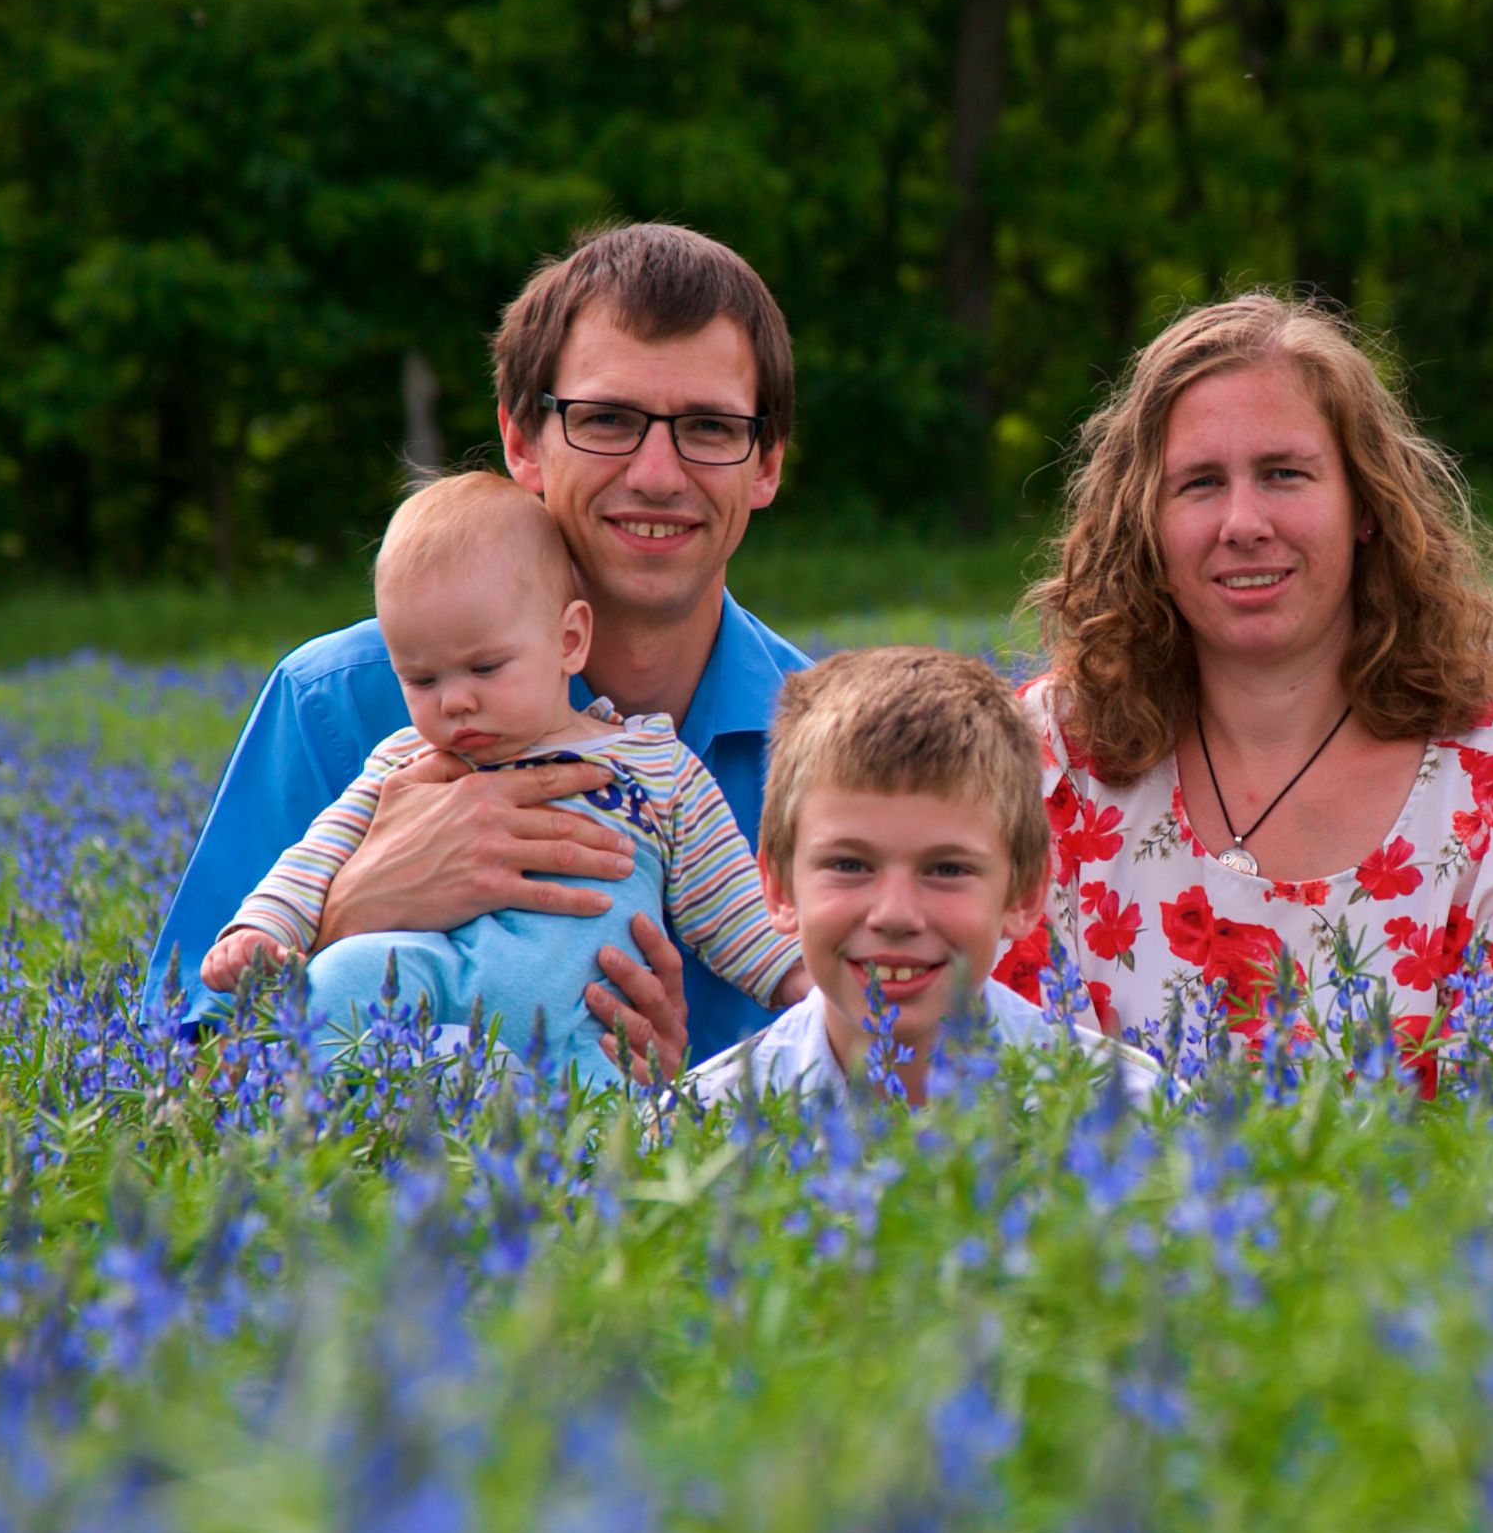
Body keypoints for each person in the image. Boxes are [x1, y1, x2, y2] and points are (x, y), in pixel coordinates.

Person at [144, 223, 809, 1076]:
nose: (656, 473)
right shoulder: (337, 705)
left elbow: (904, 1061)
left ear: (767, 462)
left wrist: (679, 1099)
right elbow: (170, 1079)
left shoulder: (832, 742)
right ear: (523, 441)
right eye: (607, 418)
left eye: (711, 428)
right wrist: (347, 916)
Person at [1008, 290, 1493, 1060]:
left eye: (1284, 474)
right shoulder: (1044, 758)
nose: (1244, 524)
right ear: (1146, 524)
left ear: (1364, 505)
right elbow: (1004, 1087)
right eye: (1199, 483)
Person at [198, 472, 806, 1075]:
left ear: (569, 640)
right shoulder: (406, 762)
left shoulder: (654, 763)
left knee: (614, 1117)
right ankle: (310, 1099)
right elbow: (317, 857)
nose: (455, 702)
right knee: (338, 979)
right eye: (422, 680)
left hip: (580, 1029)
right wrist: (262, 927)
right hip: (426, 991)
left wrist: (801, 980)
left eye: (485, 668)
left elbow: (729, 903)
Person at [684, 646, 1162, 1109]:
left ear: (1024, 893)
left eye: (946, 869)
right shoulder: (692, 1128)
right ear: (780, 887)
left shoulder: (1137, 1120)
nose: (895, 914)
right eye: (849, 866)